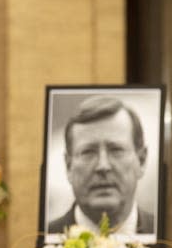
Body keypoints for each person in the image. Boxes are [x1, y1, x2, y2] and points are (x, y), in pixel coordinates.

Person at [47, 96, 154, 235]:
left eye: (116, 150)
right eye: (88, 152)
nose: (103, 166)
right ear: (68, 166)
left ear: (141, 161)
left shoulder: (171, 238)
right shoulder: (41, 241)